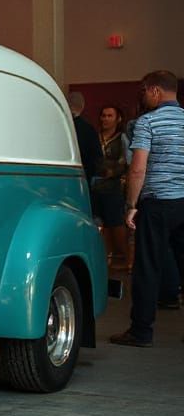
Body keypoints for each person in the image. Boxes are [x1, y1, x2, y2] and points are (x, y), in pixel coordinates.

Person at [110, 70, 184, 347]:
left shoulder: (148, 122)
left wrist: (131, 205)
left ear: (154, 91)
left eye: (144, 91)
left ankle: (141, 331)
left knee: (147, 267)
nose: (143, 96)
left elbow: (138, 168)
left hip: (158, 203)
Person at [92, 104, 129, 269]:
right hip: (95, 186)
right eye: (103, 115)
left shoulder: (122, 138)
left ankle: (126, 258)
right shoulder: (95, 136)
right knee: (101, 225)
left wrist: (110, 171)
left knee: (116, 224)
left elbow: (126, 161)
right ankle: (107, 256)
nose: (105, 119)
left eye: (109, 116)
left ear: (117, 118)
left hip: (113, 187)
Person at [67, 90, 102, 184]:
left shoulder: (59, 126)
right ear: (82, 106)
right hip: (83, 175)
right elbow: (97, 157)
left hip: (63, 174)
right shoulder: (88, 129)